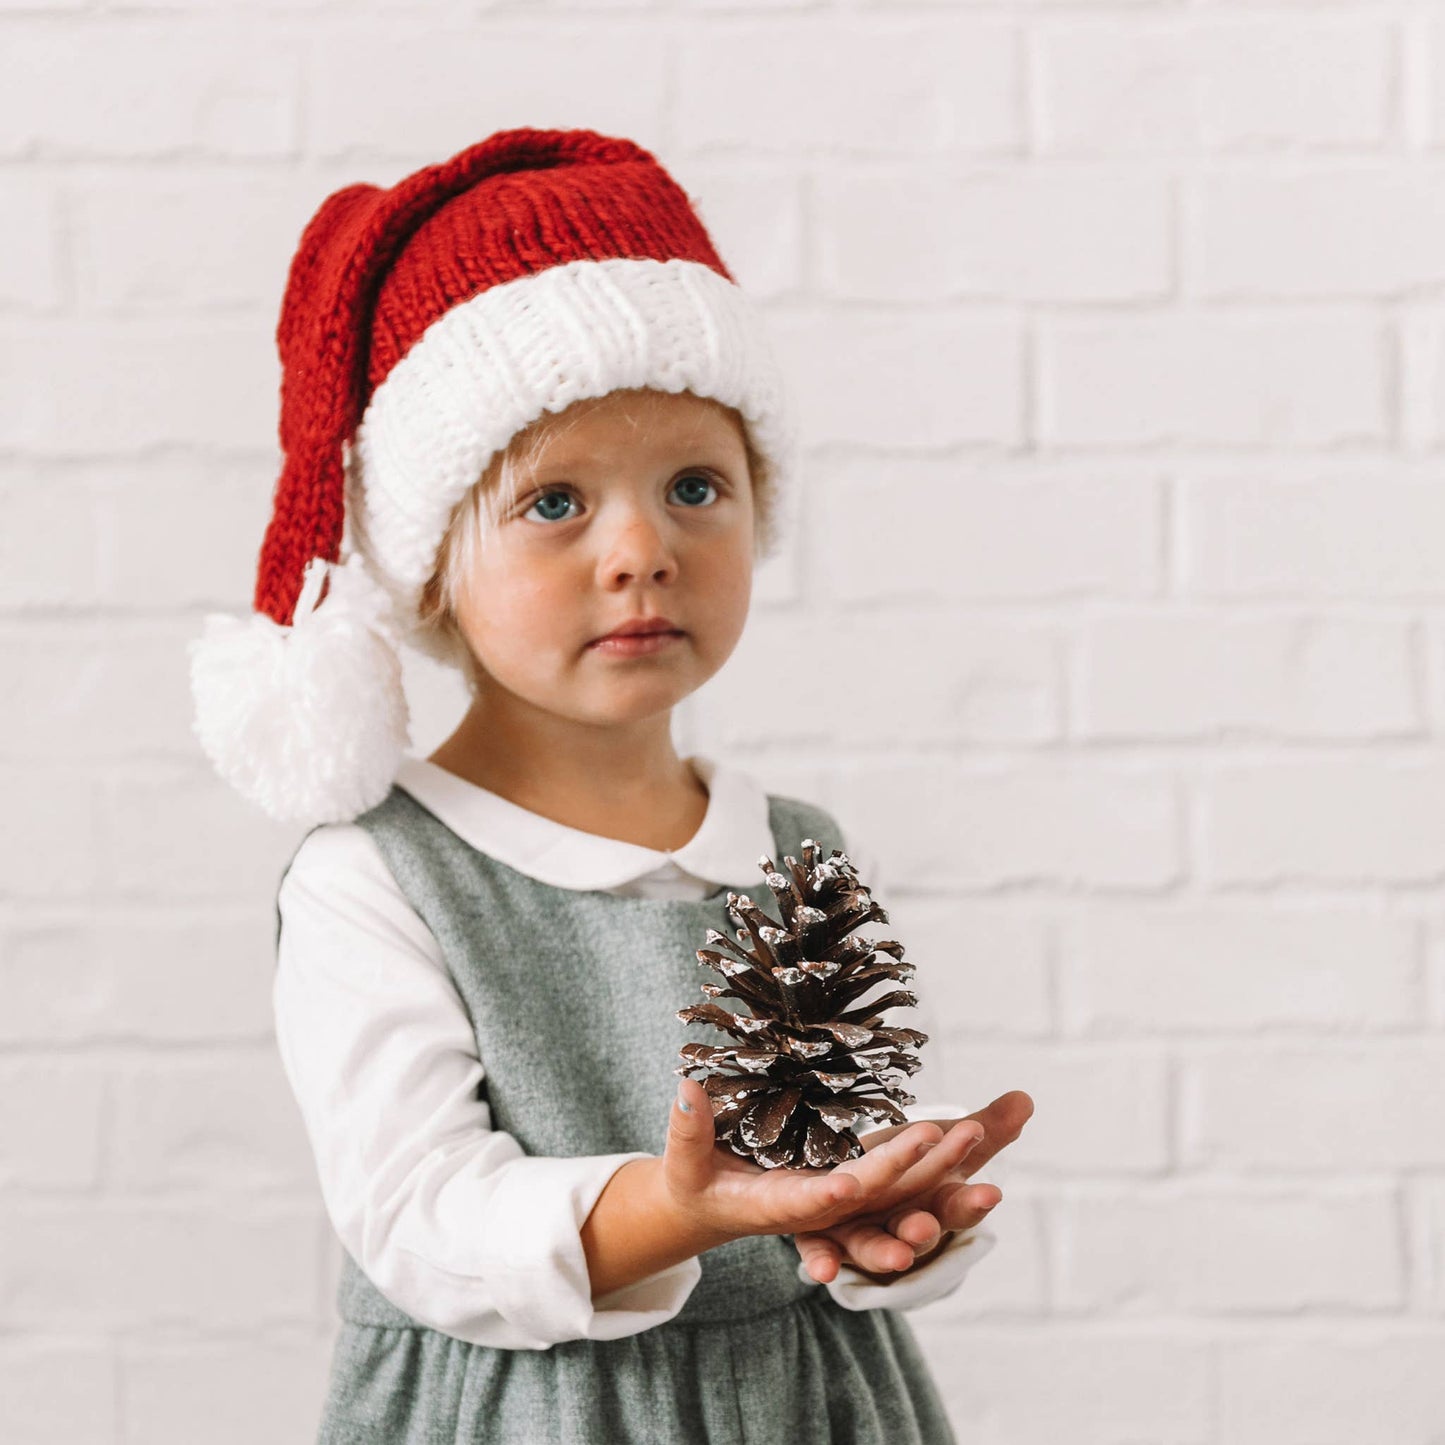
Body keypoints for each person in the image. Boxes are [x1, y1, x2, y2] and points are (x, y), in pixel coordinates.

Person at [187, 126, 1034, 1444]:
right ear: (431, 569)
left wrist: (880, 1220)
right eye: (553, 503)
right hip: (529, 1411)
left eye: (694, 485)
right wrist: (675, 1208)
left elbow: (822, 1154)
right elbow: (420, 1220)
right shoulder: (380, 873)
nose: (641, 549)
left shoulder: (793, 847)